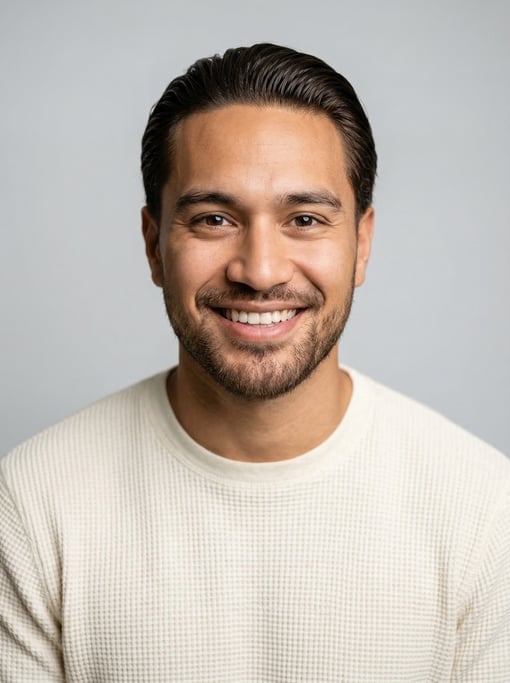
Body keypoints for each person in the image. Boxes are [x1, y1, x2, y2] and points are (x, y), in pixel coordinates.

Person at [1, 43, 509, 682]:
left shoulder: (484, 509)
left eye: (304, 218)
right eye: (214, 219)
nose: (260, 271)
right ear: (154, 247)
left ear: (362, 243)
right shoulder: (34, 502)